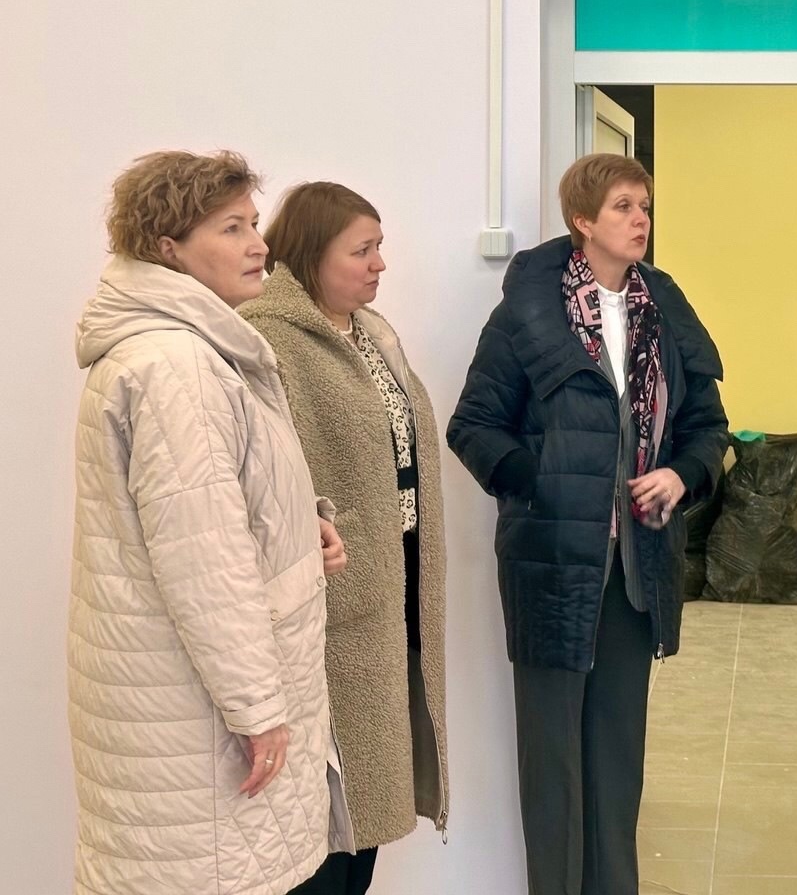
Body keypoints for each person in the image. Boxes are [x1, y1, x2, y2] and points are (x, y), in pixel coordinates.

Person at [70, 150, 355, 895]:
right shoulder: (178, 366)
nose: (258, 244)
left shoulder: (189, 350)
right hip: (196, 717)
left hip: (182, 699)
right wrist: (258, 708)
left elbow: (210, 509)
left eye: (254, 223)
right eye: (231, 228)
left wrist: (300, 526)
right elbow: (205, 563)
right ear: (168, 248)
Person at [447, 153, 729, 895]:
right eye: (623, 207)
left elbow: (707, 426)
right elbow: (473, 426)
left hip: (638, 568)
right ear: (582, 220)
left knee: (617, 756)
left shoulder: (663, 310)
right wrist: (540, 487)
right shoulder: (528, 314)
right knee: (553, 762)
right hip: (552, 564)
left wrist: (682, 474)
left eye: (645, 206)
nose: (641, 220)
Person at [240, 182, 450, 894]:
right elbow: (260, 474)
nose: (379, 264)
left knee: (365, 819)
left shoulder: (369, 335)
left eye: (379, 247)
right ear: (310, 255)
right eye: (362, 250)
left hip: (393, 593)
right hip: (330, 603)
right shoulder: (268, 340)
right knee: (322, 823)